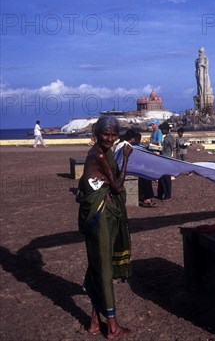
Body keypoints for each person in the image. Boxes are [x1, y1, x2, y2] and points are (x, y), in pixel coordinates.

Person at [76, 115, 132, 338]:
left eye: (113, 134)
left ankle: (94, 322)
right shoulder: (99, 154)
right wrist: (127, 159)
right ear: (96, 134)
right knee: (104, 267)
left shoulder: (104, 151)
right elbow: (117, 186)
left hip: (100, 212)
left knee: (98, 264)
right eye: (105, 134)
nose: (109, 138)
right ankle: (113, 326)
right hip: (99, 216)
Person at [157, 124, 174, 202]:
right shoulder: (169, 137)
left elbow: (165, 149)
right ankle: (162, 193)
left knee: (165, 178)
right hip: (166, 158)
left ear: (165, 129)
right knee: (163, 178)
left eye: (162, 130)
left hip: (165, 158)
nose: (161, 131)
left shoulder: (168, 138)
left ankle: (167, 194)